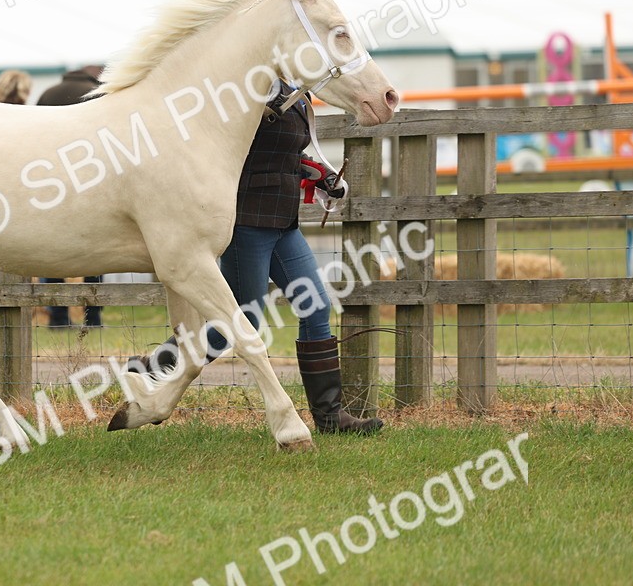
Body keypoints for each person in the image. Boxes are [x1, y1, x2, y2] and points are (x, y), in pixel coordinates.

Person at [129, 79, 383, 434]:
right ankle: (149, 371)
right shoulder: (246, 86)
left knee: (317, 306)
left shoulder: (293, 89)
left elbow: (287, 153)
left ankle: (331, 419)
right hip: (247, 221)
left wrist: (319, 174)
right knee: (235, 323)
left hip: (283, 222)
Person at [36, 65, 104, 328]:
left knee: (50, 251)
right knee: (97, 252)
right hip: (86, 182)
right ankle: (93, 318)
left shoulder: (47, 94)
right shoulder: (96, 93)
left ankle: (58, 318)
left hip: (48, 181)